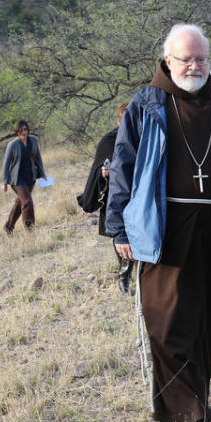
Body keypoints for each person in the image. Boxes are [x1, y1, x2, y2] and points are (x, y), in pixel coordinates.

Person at [106, 24, 211, 422]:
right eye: (184, 59)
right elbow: (123, 168)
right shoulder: (146, 104)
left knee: (208, 318)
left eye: (199, 58)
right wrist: (119, 227)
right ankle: (180, 420)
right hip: (164, 225)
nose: (193, 66)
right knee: (168, 320)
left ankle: (197, 398)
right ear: (168, 62)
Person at [77, 103, 133, 294]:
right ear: (119, 120)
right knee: (121, 236)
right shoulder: (110, 140)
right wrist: (104, 173)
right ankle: (124, 278)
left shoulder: (141, 135)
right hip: (115, 197)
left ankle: (136, 275)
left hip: (138, 194)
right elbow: (98, 167)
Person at [1, 120, 46, 233]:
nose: (23, 132)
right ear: (17, 132)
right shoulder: (13, 145)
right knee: (27, 202)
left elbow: (38, 158)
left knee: (20, 202)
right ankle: (30, 230)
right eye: (20, 130)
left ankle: (8, 227)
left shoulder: (34, 140)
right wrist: (4, 182)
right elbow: (6, 164)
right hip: (17, 179)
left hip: (30, 177)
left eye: (25, 129)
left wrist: (43, 174)